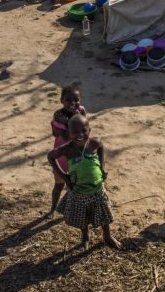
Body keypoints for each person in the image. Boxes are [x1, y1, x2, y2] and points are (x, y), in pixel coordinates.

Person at [47, 114, 122, 250]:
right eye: (75, 132)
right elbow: (50, 156)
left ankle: (107, 236)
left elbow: (100, 146)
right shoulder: (67, 149)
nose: (80, 134)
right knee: (83, 218)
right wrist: (64, 176)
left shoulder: (94, 143)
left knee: (104, 214)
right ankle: (85, 237)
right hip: (78, 192)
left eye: (84, 130)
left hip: (98, 190)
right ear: (69, 133)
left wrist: (102, 166)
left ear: (89, 130)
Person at [48, 86, 87, 218]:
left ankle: (73, 209)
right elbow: (65, 137)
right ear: (61, 100)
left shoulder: (81, 110)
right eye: (68, 100)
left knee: (77, 184)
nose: (72, 103)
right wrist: (76, 119)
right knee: (59, 184)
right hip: (62, 157)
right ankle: (53, 209)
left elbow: (85, 129)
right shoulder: (59, 116)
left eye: (76, 99)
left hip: (78, 154)